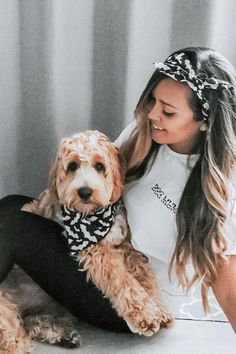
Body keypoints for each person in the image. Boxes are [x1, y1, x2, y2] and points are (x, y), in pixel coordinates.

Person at [0, 46, 235, 334]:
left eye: (168, 111)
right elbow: (98, 178)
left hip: (132, 299)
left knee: (13, 225)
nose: (153, 114)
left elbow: (228, 284)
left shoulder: (219, 187)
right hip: (102, 246)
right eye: (153, 101)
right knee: (11, 205)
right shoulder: (147, 135)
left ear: (204, 122)